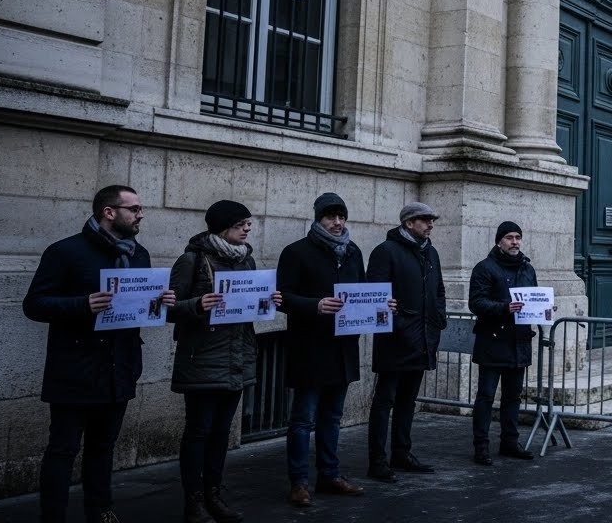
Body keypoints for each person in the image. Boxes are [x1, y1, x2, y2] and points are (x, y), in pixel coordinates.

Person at [22, 185, 176, 523]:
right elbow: (34, 304)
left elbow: (138, 308)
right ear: (109, 212)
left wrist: (160, 303)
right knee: (62, 450)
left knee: (103, 448)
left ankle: (101, 509)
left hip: (119, 368)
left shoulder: (139, 254)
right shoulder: (65, 252)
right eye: (134, 209)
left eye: (140, 208)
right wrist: (83, 304)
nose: (141, 215)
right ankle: (53, 517)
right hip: (75, 369)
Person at [169, 200, 280, 523]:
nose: (247, 228)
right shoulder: (192, 260)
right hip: (202, 357)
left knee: (221, 433)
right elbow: (166, 308)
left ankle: (214, 495)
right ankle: (194, 501)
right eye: (241, 223)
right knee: (199, 432)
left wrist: (267, 302)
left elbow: (249, 309)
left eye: (248, 223)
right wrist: (197, 305)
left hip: (237, 357)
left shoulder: (247, 261)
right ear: (222, 226)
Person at [277, 192, 370, 507]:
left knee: (333, 417)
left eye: (341, 216)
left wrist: (383, 306)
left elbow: (362, 293)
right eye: (331, 216)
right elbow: (282, 298)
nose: (337, 222)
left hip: (343, 348)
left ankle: (330, 474)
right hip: (310, 348)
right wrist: (315, 305)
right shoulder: (296, 252)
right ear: (318, 219)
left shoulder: (353, 252)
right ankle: (299, 482)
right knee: (303, 419)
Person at [365, 203, 448, 483]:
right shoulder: (386, 252)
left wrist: (438, 319)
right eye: (425, 220)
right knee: (384, 399)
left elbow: (438, 291)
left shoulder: (430, 252)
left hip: (423, 337)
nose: (430, 225)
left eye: (431, 220)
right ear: (409, 223)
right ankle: (377, 460)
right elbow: (375, 295)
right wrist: (400, 324)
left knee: (408, 400)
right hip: (394, 339)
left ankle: (402, 452)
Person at [469, 221, 538, 465]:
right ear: (499, 241)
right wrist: (504, 308)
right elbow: (476, 303)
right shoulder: (484, 268)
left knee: (513, 397)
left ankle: (510, 442)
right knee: (486, 397)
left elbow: (533, 300)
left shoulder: (527, 269)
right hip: (493, 341)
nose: (515, 242)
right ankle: (481, 446)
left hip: (518, 341)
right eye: (509, 237)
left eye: (518, 237)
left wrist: (545, 310)